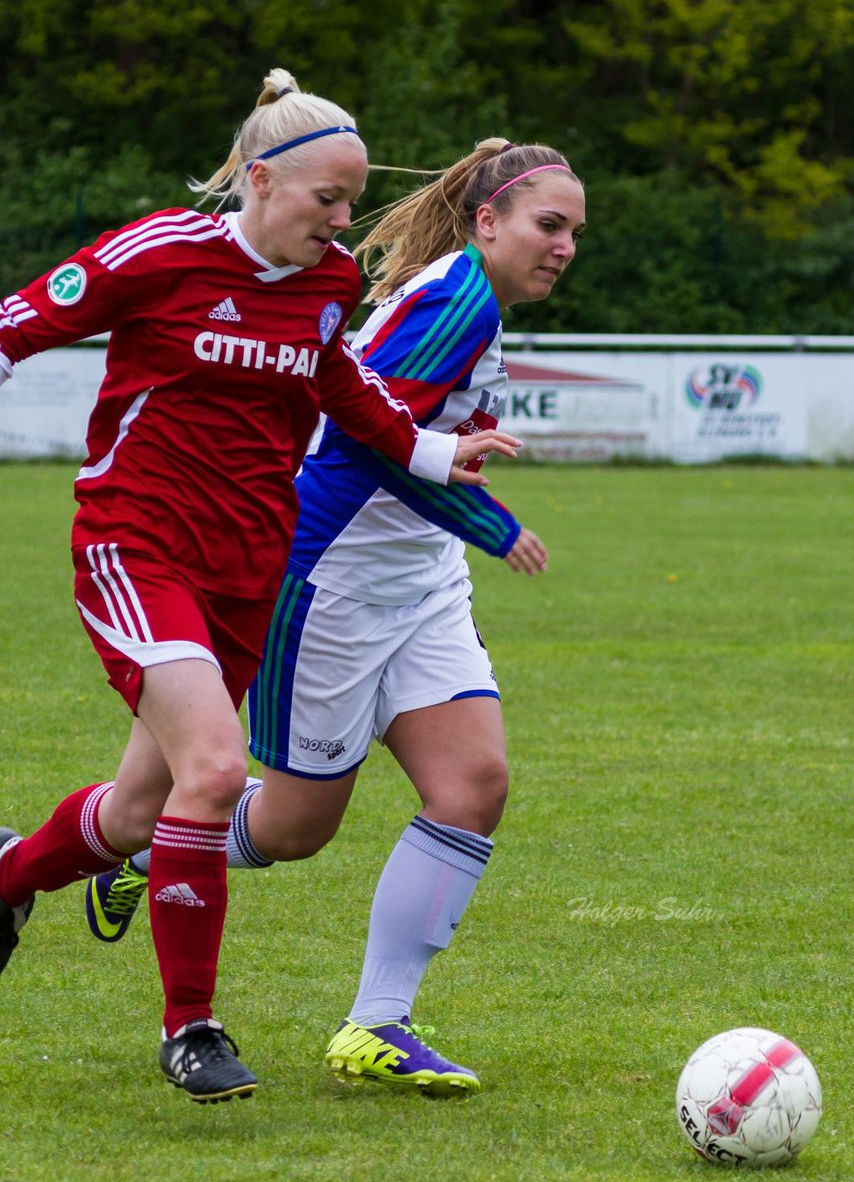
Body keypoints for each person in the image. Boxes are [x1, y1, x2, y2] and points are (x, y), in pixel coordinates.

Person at [0, 72, 520, 1105]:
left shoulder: (324, 284)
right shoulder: (159, 252)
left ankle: (12, 875)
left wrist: (432, 450)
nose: (341, 225)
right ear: (258, 177)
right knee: (216, 766)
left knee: (141, 811)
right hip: (136, 545)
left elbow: (343, 391)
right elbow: (14, 324)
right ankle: (189, 1024)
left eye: (349, 202)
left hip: (247, 568)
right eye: (326, 199)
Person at [84, 135, 586, 1097]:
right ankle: (149, 844)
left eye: (573, 232)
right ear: (490, 222)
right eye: (547, 225)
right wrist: (492, 521)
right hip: (333, 581)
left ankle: (378, 1026)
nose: (563, 246)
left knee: (473, 784)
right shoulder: (455, 301)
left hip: (417, 580)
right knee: (295, 826)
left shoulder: (469, 296)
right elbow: (364, 445)